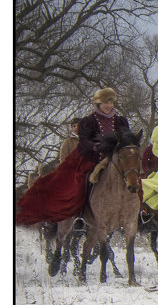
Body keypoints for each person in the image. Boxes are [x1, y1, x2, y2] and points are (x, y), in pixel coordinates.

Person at [16, 87, 132, 225]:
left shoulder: (121, 121)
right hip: (93, 159)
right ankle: (78, 212)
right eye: (106, 103)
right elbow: (84, 141)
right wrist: (96, 147)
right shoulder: (88, 121)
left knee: (133, 177)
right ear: (99, 104)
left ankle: (136, 211)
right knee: (80, 182)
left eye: (111, 102)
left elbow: (127, 138)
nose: (109, 106)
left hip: (116, 159)